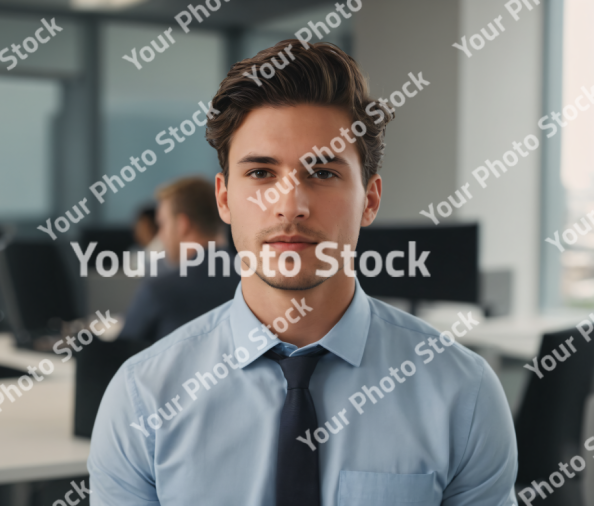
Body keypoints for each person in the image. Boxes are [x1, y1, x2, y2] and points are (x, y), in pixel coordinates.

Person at [89, 40, 518, 505]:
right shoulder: (142, 398)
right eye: (260, 174)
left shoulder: (463, 393)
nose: (290, 205)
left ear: (370, 200)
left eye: (323, 173)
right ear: (224, 198)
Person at [117, 177, 238, 343]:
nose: (160, 236)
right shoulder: (255, 283)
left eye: (162, 225)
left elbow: (120, 357)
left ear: (182, 225)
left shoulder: (160, 291)